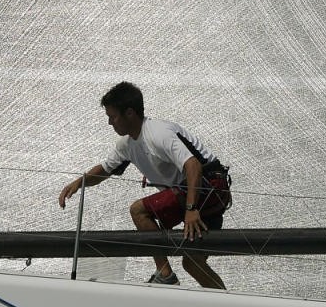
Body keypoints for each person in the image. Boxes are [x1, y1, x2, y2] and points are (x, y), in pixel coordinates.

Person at [58, 81, 231, 289]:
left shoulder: (158, 133)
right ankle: (231, 305)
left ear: (129, 113)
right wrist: (80, 182)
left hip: (209, 187)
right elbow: (105, 169)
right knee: (192, 263)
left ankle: (165, 274)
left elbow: (193, 165)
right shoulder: (127, 145)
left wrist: (191, 210)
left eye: (112, 117)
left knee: (139, 211)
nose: (110, 123)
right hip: (199, 195)